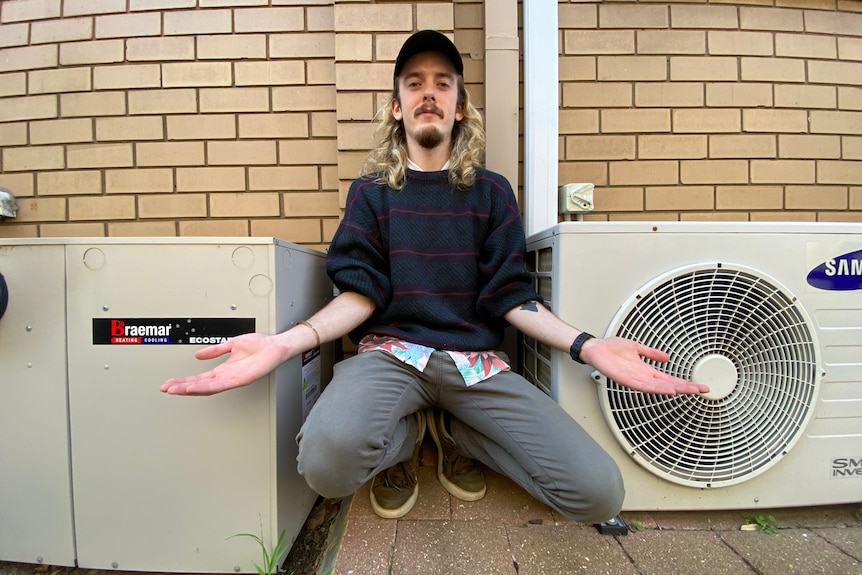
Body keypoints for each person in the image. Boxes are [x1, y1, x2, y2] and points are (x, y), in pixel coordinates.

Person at [161, 30, 708, 522]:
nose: (429, 93)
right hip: (390, 358)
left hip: (477, 368)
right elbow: (359, 292)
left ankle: (455, 433)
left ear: (460, 108)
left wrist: (588, 346)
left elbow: (512, 296)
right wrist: (285, 344)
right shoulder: (372, 193)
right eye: (415, 83)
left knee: (598, 494)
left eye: (443, 84)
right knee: (326, 467)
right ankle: (406, 438)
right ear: (396, 107)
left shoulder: (492, 193)